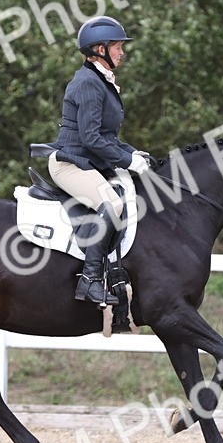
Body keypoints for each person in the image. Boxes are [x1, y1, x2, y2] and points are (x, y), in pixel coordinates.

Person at [48, 15, 152, 305]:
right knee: (113, 204)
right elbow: (91, 139)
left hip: (88, 162)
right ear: (100, 49)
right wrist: (127, 162)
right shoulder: (88, 83)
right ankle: (90, 279)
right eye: (117, 46)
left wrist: (132, 153)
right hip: (70, 164)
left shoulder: (100, 81)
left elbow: (107, 136)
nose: (122, 52)